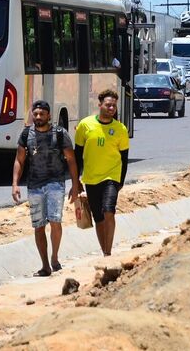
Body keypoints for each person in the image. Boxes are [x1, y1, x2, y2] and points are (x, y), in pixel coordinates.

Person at [11, 100, 79, 277]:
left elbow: (71, 160)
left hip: (56, 183)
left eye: (42, 114)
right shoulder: (26, 134)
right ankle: (45, 265)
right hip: (34, 185)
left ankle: (55, 257)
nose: (38, 117)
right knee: (38, 226)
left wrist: (75, 184)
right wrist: (15, 184)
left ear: (49, 115)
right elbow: (19, 160)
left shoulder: (60, 133)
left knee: (55, 220)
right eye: (36, 114)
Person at [75, 89, 130, 256]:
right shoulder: (85, 125)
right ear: (100, 105)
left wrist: (120, 182)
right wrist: (76, 180)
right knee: (98, 217)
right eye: (108, 105)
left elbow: (124, 158)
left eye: (113, 105)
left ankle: (109, 251)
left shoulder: (120, 129)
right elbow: (78, 154)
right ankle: (104, 250)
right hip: (91, 179)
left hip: (111, 177)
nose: (111, 108)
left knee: (109, 211)